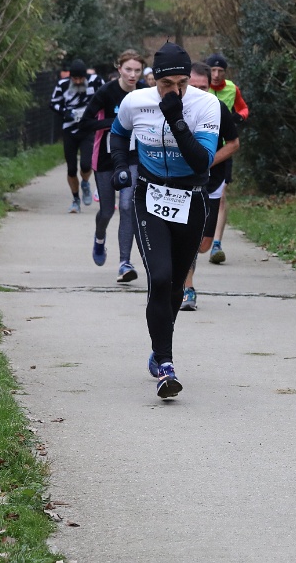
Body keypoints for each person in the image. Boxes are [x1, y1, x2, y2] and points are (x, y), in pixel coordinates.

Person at [108, 41, 220, 398]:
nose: (175, 90)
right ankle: (166, 365)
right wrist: (121, 166)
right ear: (153, 79)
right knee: (159, 277)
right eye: (166, 84)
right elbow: (117, 134)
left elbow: (202, 161)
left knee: (175, 287)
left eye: (182, 83)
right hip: (150, 196)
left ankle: (159, 348)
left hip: (191, 199)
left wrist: (176, 119)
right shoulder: (135, 102)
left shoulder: (206, 105)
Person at [79, 49, 145, 283]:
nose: (133, 75)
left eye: (137, 70)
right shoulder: (106, 92)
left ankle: (124, 263)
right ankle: (99, 239)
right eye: (128, 69)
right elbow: (85, 123)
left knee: (127, 206)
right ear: (119, 69)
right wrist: (116, 122)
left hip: (133, 156)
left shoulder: (145, 92)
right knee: (107, 211)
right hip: (106, 158)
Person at [179, 62, 240, 311]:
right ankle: (187, 288)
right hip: (182, 183)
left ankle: (183, 273)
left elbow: (234, 143)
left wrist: (205, 161)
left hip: (211, 180)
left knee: (204, 244)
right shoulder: (174, 108)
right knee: (187, 236)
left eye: (203, 87)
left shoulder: (217, 108)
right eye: (192, 86)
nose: (198, 92)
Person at [204, 53, 248, 264]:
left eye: (220, 71)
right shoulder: (198, 87)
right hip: (201, 147)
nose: (216, 74)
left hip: (223, 149)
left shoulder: (232, 88)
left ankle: (216, 244)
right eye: (213, 70)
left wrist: (240, 116)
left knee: (221, 196)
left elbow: (243, 107)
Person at [50, 59, 104, 213]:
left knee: (86, 164)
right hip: (70, 130)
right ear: (70, 77)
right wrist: (64, 112)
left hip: (88, 129)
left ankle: (85, 183)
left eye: (81, 78)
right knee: (71, 168)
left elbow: (106, 96)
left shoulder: (96, 81)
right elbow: (53, 103)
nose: (78, 81)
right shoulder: (62, 85)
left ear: (86, 76)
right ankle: (75, 200)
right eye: (75, 78)